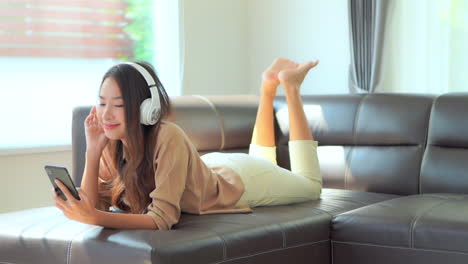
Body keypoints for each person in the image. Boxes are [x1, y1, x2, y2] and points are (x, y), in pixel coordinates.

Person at [53, 58, 322, 230]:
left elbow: (161, 220)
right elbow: (93, 206)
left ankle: (290, 88)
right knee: (265, 163)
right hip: (211, 169)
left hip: (243, 181)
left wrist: (95, 218)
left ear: (147, 108)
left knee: (311, 187)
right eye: (102, 103)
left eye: (119, 105)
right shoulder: (111, 144)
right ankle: (267, 87)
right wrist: (93, 150)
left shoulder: (167, 136)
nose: (106, 114)